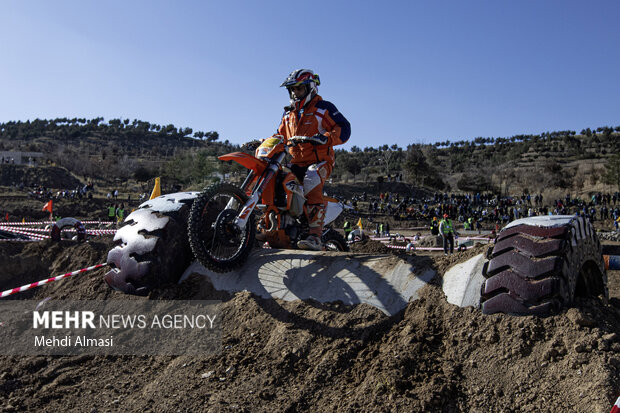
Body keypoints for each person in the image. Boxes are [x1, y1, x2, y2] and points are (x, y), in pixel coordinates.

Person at [271, 69, 351, 250]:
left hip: (320, 160)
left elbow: (344, 128)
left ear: (310, 88)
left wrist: (327, 137)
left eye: (298, 89)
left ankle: (315, 236)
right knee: (275, 179)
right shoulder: (288, 114)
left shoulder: (324, 108)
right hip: (295, 161)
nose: (294, 93)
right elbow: (279, 136)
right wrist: (263, 142)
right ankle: (273, 225)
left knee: (312, 178)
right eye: (292, 90)